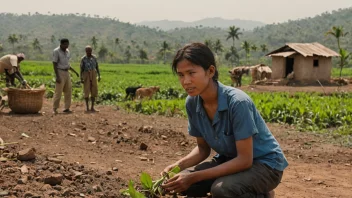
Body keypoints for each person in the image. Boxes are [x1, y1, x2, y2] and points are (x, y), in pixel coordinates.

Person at [162, 43, 288, 198]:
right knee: (182, 184)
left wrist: (194, 176)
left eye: (191, 73)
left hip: (265, 165)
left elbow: (244, 160)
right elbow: (202, 149)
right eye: (181, 75)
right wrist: (177, 166)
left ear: (210, 71)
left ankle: (263, 194)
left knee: (222, 190)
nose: (186, 81)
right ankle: (251, 188)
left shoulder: (238, 102)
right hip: (229, 160)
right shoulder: (192, 102)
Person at [52, 38, 79, 114]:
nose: (67, 46)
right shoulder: (56, 51)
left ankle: (67, 108)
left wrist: (75, 72)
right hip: (60, 72)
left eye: (67, 44)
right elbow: (54, 63)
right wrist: (57, 76)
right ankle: (55, 108)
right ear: (61, 44)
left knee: (68, 91)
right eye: (65, 44)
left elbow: (68, 64)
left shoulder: (67, 51)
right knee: (58, 91)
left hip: (67, 72)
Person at [80, 45, 101, 112]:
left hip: (93, 74)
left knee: (94, 90)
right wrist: (81, 78)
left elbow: (97, 66)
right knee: (86, 90)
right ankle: (87, 108)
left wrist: (99, 75)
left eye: (90, 50)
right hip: (86, 74)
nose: (89, 52)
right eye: (87, 51)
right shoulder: (83, 59)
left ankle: (92, 107)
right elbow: (81, 69)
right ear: (85, 51)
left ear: (92, 51)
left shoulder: (94, 58)